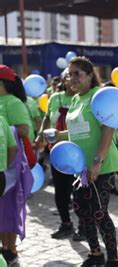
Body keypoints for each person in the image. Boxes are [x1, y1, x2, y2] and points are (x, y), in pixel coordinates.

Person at [61, 57, 118, 266]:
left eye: (78, 73)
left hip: (100, 165)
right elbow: (76, 131)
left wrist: (97, 161)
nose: (72, 78)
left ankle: (113, 259)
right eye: (70, 74)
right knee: (80, 209)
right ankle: (95, 253)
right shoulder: (76, 100)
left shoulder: (98, 95)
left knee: (98, 212)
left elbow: (108, 126)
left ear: (90, 75)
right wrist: (53, 136)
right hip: (80, 167)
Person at [36, 77, 87, 241]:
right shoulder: (55, 98)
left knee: (79, 192)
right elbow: (47, 117)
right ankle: (66, 224)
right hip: (56, 150)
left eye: (75, 77)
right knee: (60, 192)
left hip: (77, 152)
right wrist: (41, 133)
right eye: (68, 78)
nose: (72, 81)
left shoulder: (82, 99)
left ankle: (84, 226)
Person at [0, 65, 33, 266]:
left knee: (9, 209)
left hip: (9, 165)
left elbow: (23, 129)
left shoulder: (13, 103)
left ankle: (10, 249)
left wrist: (3, 127)